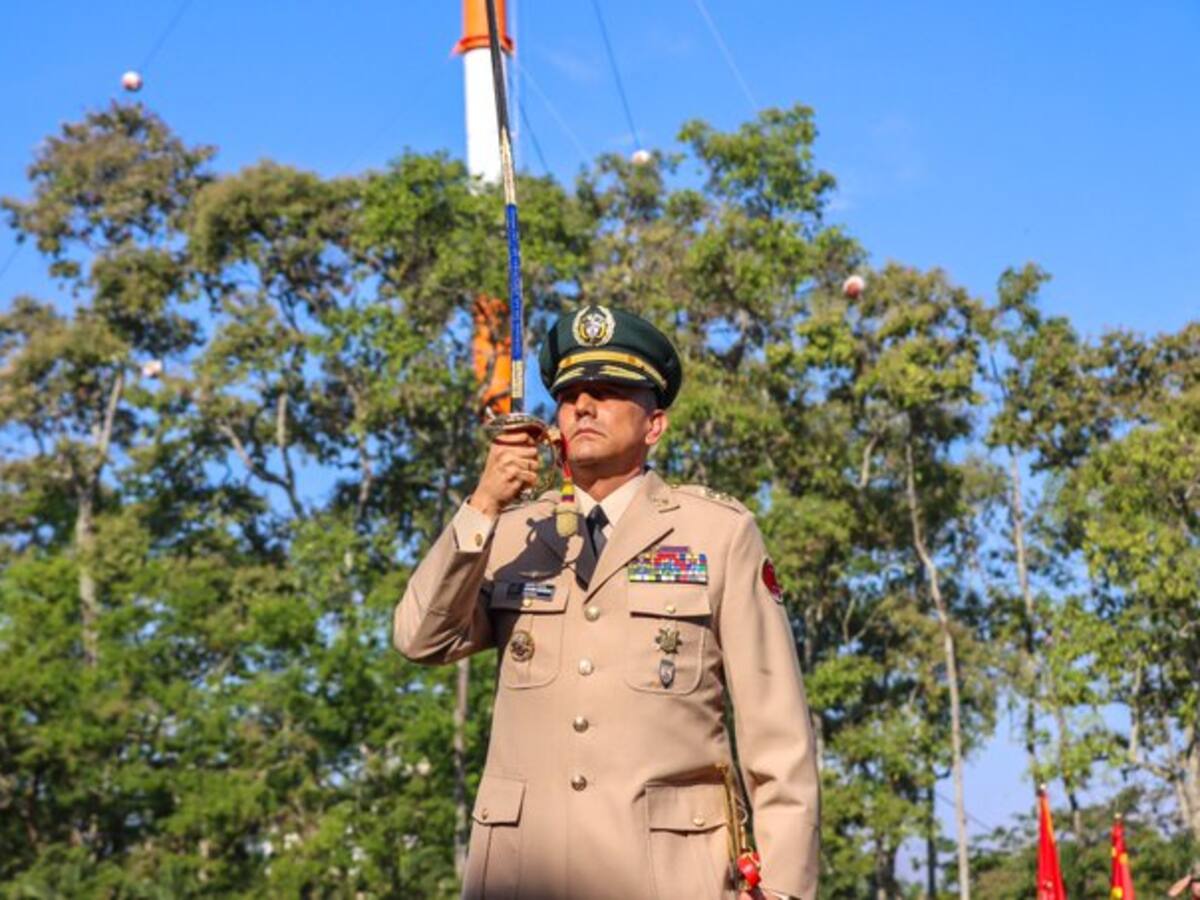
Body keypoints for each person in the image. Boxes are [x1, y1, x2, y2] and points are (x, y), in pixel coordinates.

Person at [394, 304, 820, 899]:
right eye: (570, 395)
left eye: (608, 391)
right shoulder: (512, 531)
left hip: (672, 881)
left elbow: (780, 741)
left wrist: (783, 894)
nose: (583, 406)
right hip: (524, 879)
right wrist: (484, 503)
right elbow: (420, 637)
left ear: (655, 424)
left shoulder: (718, 534)